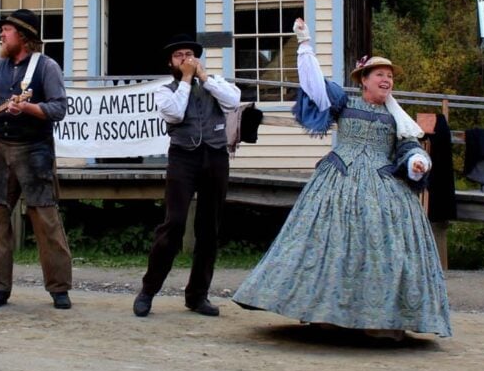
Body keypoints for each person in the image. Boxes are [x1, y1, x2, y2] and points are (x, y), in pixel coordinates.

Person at [232, 18, 452, 340]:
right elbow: (314, 86)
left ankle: (382, 321)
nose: (386, 80)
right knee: (326, 247)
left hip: (383, 183)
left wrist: (418, 162)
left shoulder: (397, 118)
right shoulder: (344, 104)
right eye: (380, 75)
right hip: (339, 178)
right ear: (363, 79)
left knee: (382, 251)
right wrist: (304, 45)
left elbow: (408, 148)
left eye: (389, 76)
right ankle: (326, 316)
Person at [0, 9, 73, 310]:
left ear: (22, 36)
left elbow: (59, 109)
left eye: (6, 30)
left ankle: (59, 289)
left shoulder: (47, 67)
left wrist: (29, 108)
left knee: (45, 220)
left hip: (35, 150)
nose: (1, 34)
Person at [132, 34, 241, 319]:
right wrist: (185, 80)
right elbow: (175, 114)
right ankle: (148, 291)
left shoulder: (213, 84)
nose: (186, 59)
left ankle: (197, 295)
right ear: (171, 62)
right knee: (174, 224)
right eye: (179, 55)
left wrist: (203, 78)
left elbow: (233, 101)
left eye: (189, 55)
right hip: (184, 157)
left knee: (209, 228)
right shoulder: (166, 91)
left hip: (215, 156)